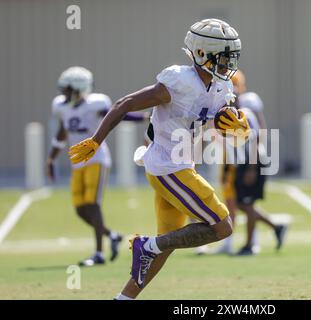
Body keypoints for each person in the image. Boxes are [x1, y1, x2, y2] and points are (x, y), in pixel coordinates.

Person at [68, 19, 248, 300]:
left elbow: (223, 124)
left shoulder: (221, 88)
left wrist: (237, 127)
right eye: (223, 58)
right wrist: (96, 139)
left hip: (181, 166)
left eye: (230, 58)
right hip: (168, 168)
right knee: (222, 226)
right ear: (201, 54)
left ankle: (124, 297)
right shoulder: (179, 81)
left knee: (168, 241)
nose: (228, 64)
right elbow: (125, 103)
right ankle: (147, 245)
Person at [48, 66, 127, 266]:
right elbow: (62, 133)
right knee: (81, 210)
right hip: (78, 163)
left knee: (93, 204)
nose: (63, 93)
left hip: (96, 159)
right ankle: (113, 235)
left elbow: (115, 115)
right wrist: (51, 159)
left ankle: (99, 254)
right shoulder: (62, 106)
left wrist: (140, 117)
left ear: (78, 88)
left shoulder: (95, 104)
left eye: (67, 89)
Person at [219, 70, 286, 256]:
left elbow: (256, 139)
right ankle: (276, 227)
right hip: (243, 161)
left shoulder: (245, 112)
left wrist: (251, 168)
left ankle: (250, 245)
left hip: (252, 161)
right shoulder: (230, 112)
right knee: (243, 203)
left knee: (246, 204)